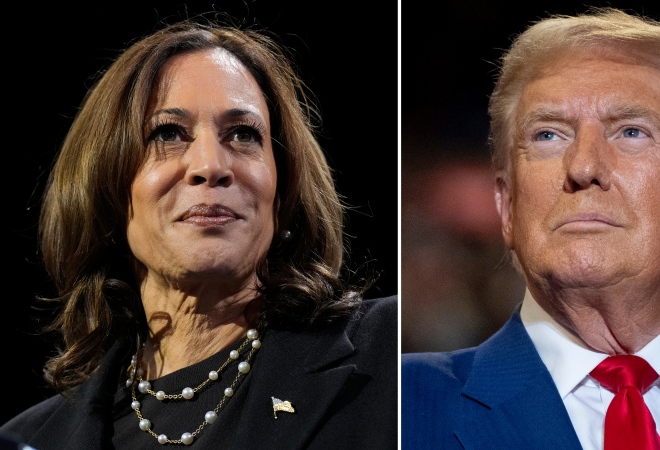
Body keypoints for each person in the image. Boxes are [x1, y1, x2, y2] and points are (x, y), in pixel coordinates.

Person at [401, 7, 660, 450]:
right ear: (507, 205)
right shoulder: (397, 407)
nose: (584, 166)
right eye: (548, 135)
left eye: (631, 131)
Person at [1, 18, 396, 449]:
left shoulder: (389, 354)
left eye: (243, 135)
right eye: (168, 134)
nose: (211, 165)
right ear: (106, 187)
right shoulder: (31, 439)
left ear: (282, 191)